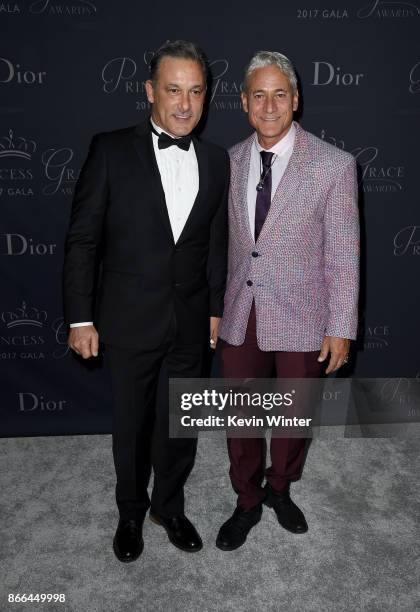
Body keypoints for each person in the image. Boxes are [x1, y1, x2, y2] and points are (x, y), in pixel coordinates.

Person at [63, 40, 229, 562]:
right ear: (150, 92)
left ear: (207, 96)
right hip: (128, 318)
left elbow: (216, 242)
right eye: (174, 90)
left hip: (190, 320)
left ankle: (169, 507)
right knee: (131, 427)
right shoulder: (110, 150)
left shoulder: (218, 159)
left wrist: (214, 308)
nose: (185, 104)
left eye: (196, 91)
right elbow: (83, 240)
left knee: (181, 422)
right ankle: (131, 513)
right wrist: (80, 317)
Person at [216, 51, 359, 550]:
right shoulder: (227, 162)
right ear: (244, 103)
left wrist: (341, 325)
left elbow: (343, 252)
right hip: (241, 312)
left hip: (304, 314)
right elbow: (217, 247)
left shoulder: (335, 166)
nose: (270, 105)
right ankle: (247, 499)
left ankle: (280, 488)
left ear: (296, 100)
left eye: (280, 94)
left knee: (295, 414)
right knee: (242, 415)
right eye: (259, 95)